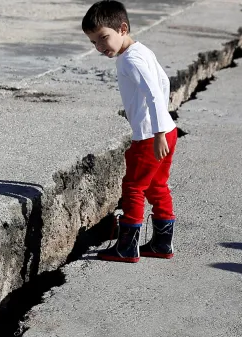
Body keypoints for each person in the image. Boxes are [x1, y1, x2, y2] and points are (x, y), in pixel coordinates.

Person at [83, 0, 178, 262]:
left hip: (151, 136)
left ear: (122, 28)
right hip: (166, 130)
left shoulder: (131, 60)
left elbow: (155, 94)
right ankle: (162, 244)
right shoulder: (140, 51)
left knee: (134, 187)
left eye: (104, 38)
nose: (100, 47)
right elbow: (164, 82)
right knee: (157, 185)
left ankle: (126, 247)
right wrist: (164, 126)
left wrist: (157, 131)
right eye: (93, 43)